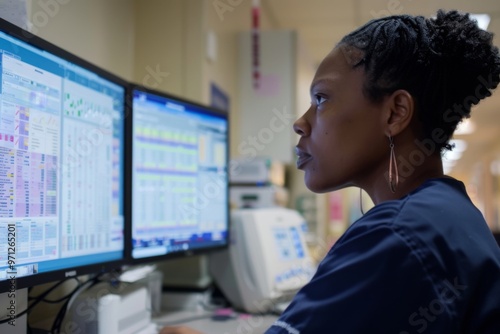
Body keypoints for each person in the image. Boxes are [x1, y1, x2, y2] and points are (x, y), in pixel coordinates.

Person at [160, 9, 500, 334]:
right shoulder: (447, 214)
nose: (300, 123)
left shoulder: (397, 236)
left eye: (321, 99)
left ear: (395, 113)